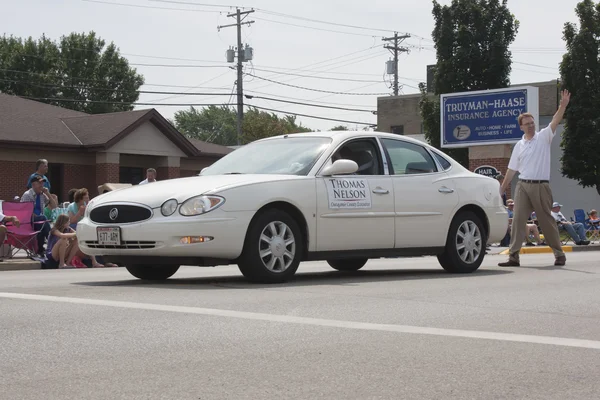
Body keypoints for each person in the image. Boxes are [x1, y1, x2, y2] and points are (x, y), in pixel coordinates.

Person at [498, 89, 571, 267]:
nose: (530, 126)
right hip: (523, 185)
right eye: (527, 124)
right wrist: (502, 188)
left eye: (532, 123)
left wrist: (562, 106)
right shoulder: (519, 145)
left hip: (541, 186)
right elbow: (511, 169)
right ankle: (514, 256)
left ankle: (559, 254)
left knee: (546, 221)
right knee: (518, 219)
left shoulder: (543, 137)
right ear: (521, 126)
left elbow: (555, 121)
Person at [20, 174, 57, 256]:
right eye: (39, 183)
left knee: (42, 225)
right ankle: (52, 241)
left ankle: (40, 249)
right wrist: (38, 217)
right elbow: (24, 211)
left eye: (42, 183)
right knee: (43, 218)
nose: (42, 185)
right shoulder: (27, 195)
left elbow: (54, 206)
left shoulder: (42, 195)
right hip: (28, 221)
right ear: (33, 185)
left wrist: (48, 194)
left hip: (40, 222)